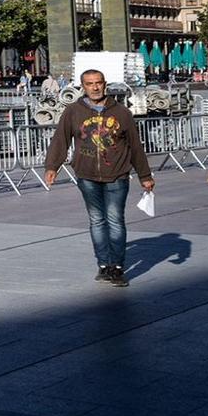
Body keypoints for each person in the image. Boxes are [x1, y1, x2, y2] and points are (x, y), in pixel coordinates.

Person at [43, 69, 155, 286]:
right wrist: (52, 166)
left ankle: (118, 267)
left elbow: (135, 146)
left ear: (105, 85)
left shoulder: (122, 113)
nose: (94, 87)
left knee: (115, 220)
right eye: (89, 83)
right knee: (96, 220)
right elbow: (61, 139)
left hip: (117, 175)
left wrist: (145, 175)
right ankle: (104, 264)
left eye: (98, 83)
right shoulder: (73, 111)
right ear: (82, 87)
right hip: (87, 175)